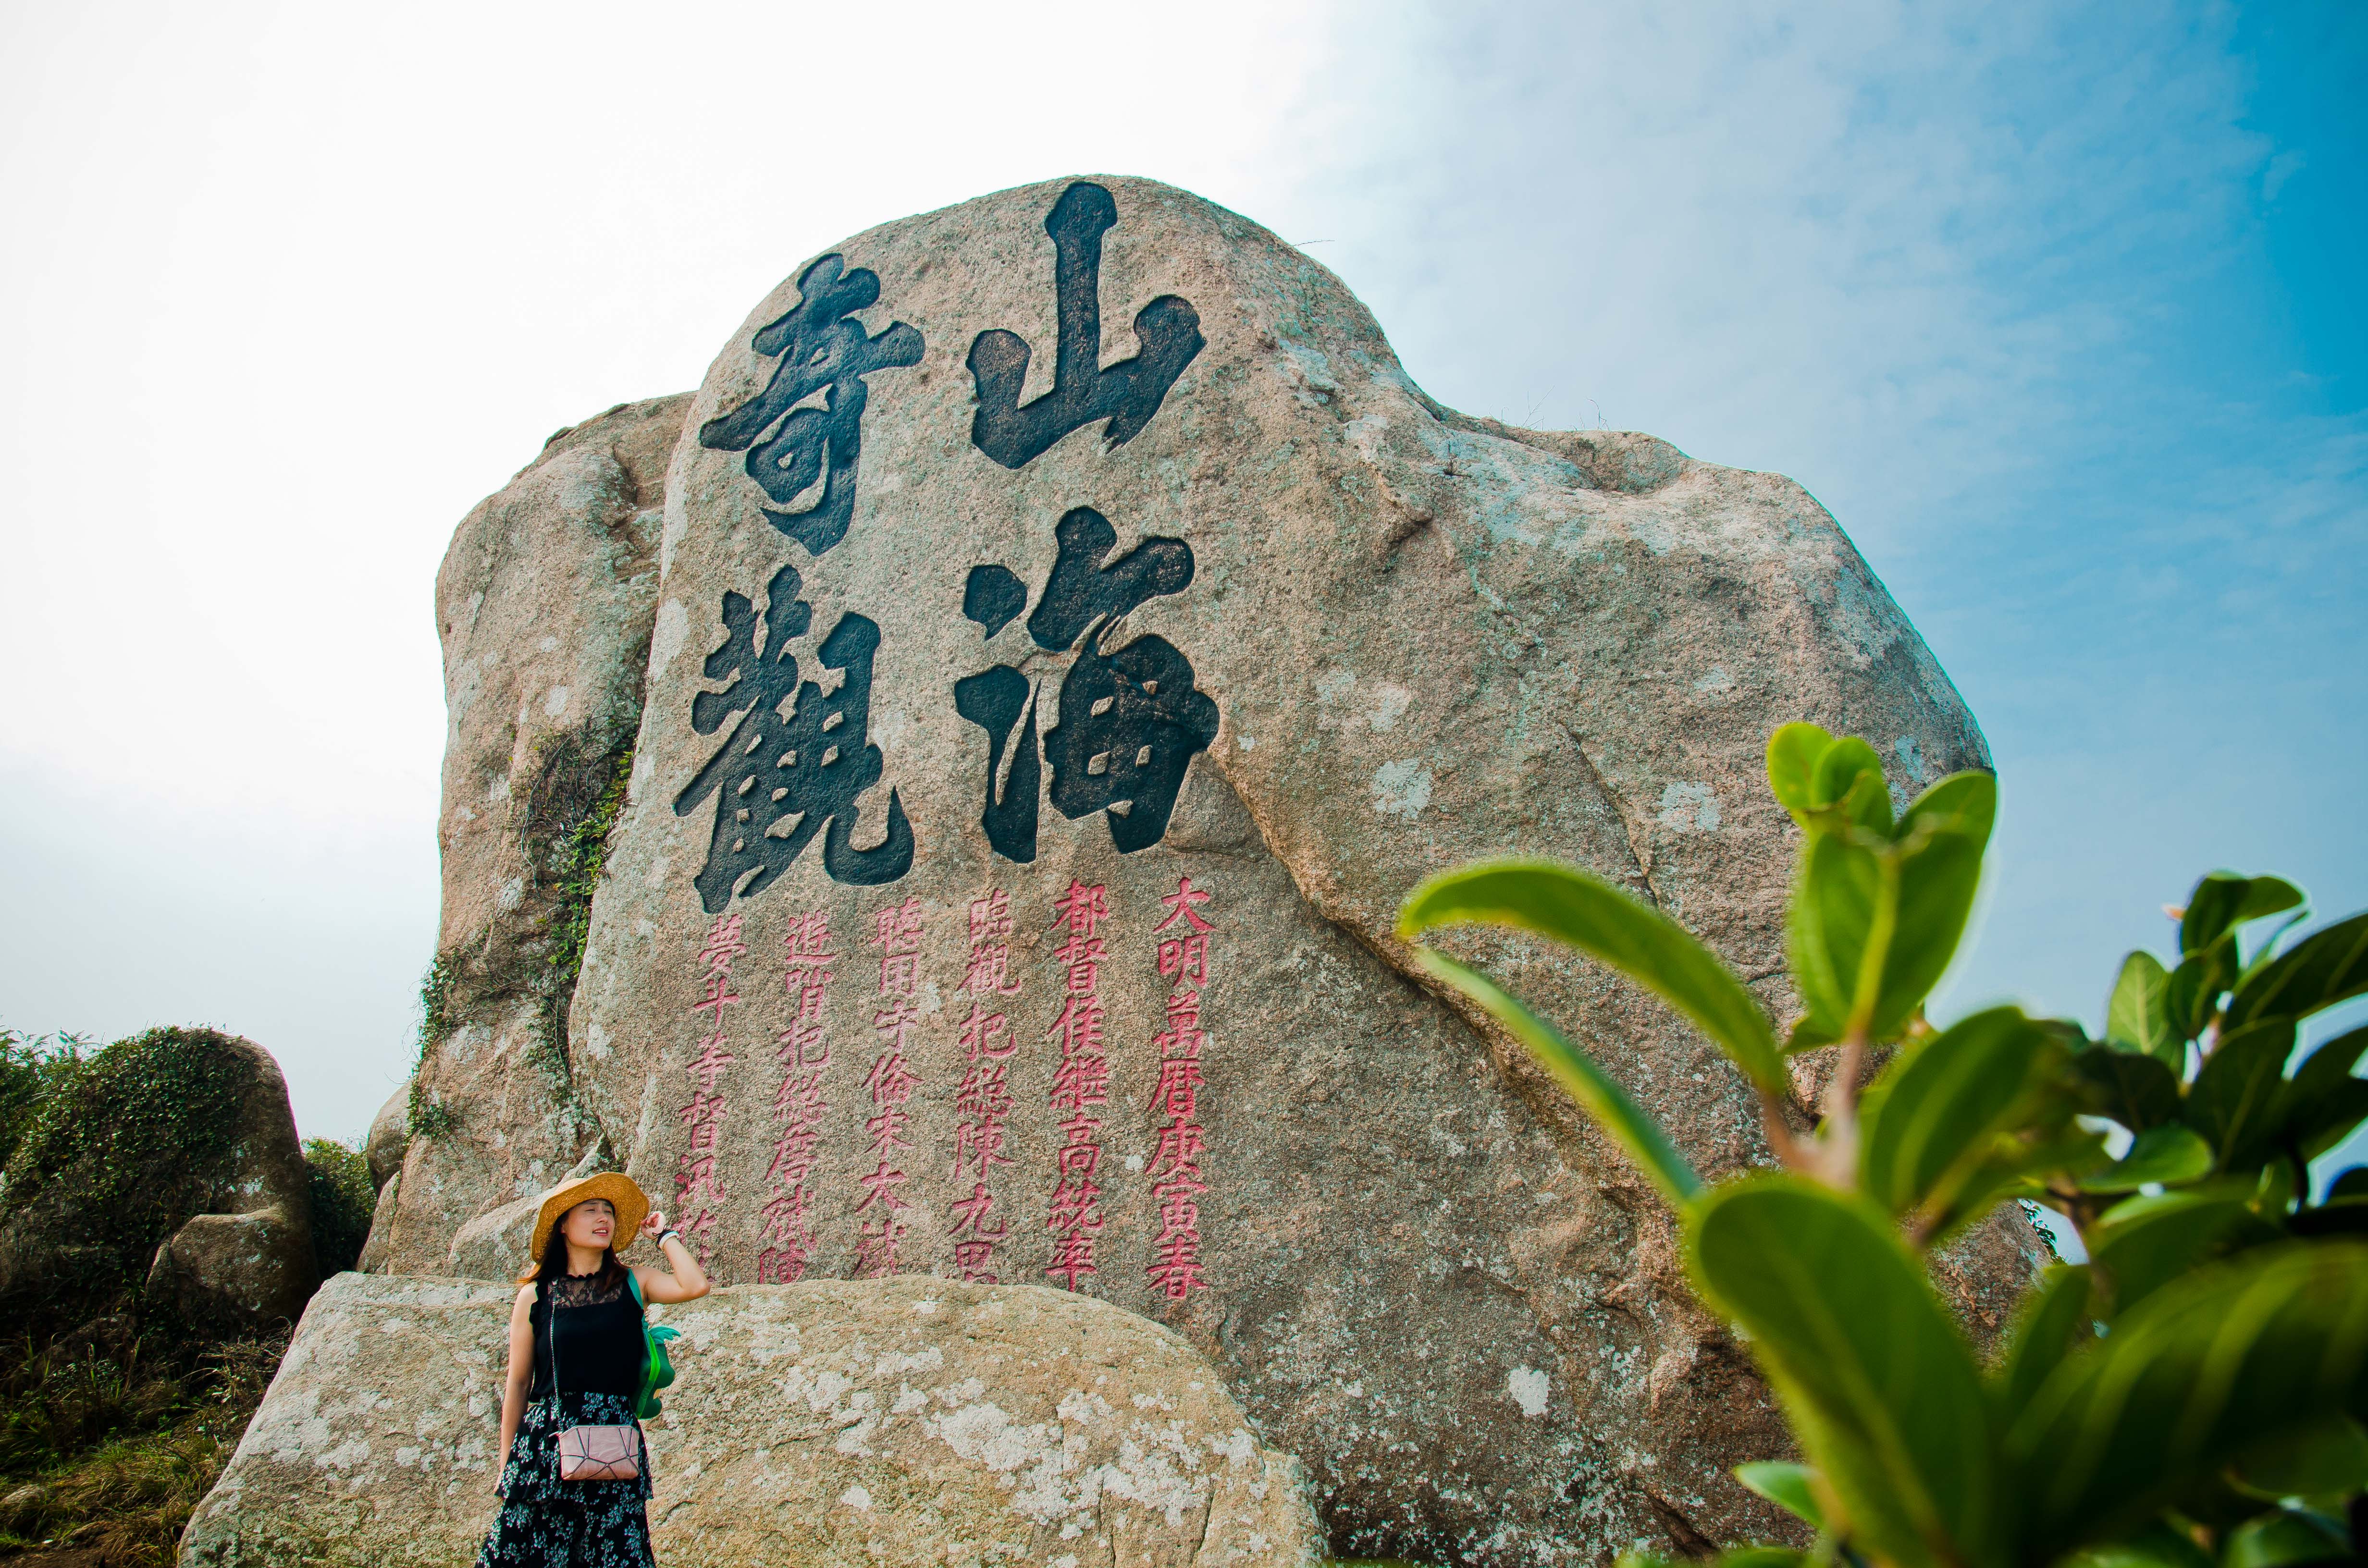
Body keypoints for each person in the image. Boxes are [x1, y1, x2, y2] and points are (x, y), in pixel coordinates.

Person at [477, 1172, 709, 1568]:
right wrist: (507, 1464)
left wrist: (664, 1235)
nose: (603, 1218)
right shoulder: (534, 1296)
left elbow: (694, 1285)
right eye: (590, 1211)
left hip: (611, 1443)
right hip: (545, 1446)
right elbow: (518, 1382)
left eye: (608, 1212)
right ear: (564, 1225)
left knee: (614, 1555)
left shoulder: (635, 1282)